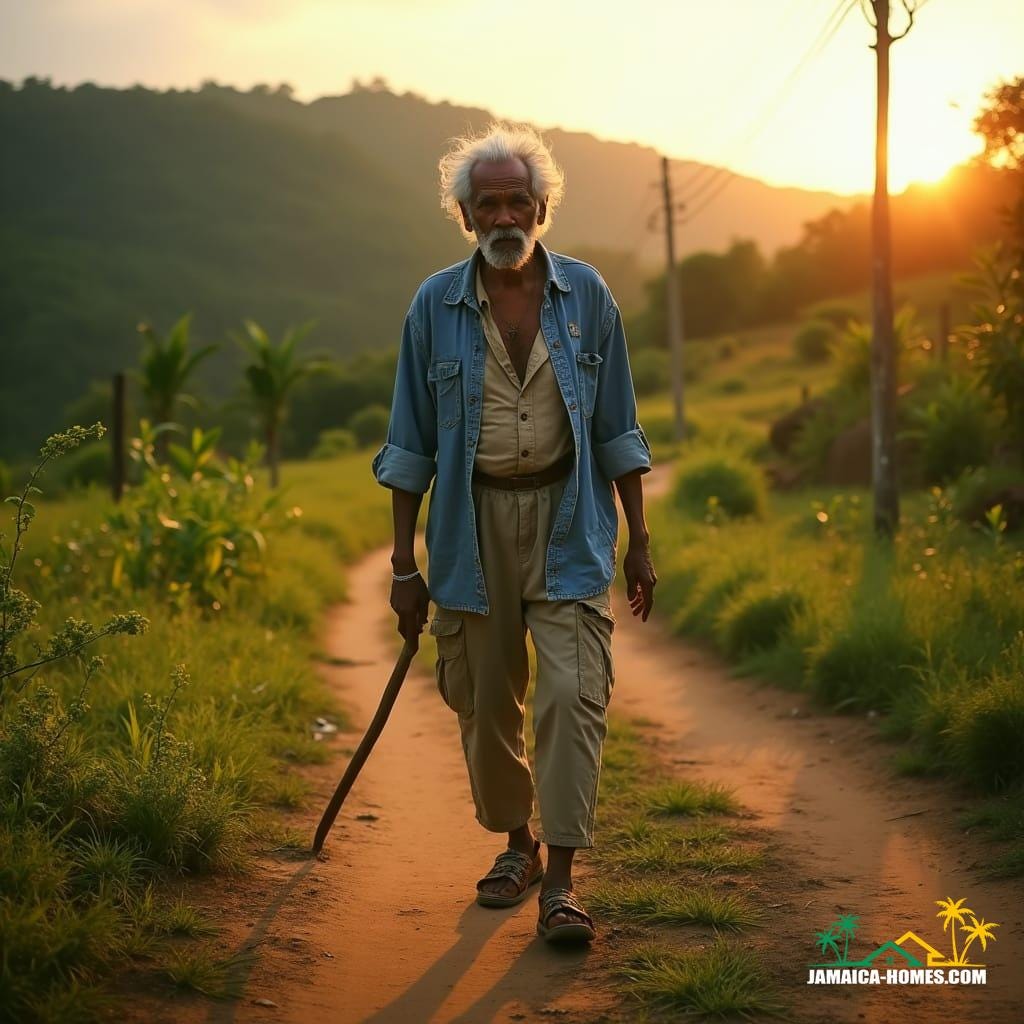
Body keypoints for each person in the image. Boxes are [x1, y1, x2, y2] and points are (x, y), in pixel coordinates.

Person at [372, 122, 657, 945]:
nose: (504, 215)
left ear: (542, 209)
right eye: (487, 202)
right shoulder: (435, 304)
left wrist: (637, 539)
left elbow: (617, 430)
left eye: (517, 201)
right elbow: (409, 443)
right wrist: (402, 564)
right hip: (471, 524)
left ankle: (561, 882)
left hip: (571, 519)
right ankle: (517, 845)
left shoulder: (588, 297)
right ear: (465, 216)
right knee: (485, 699)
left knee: (571, 692)